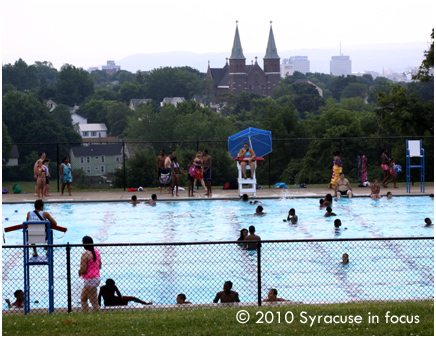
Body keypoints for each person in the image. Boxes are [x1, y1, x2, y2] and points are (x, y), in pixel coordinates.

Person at [79, 236, 101, 312]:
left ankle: (98, 315)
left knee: (94, 302)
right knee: (83, 298)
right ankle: (85, 313)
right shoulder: (96, 252)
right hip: (96, 277)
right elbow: (100, 266)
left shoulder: (85, 254)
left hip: (89, 279)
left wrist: (80, 272)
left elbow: (83, 269)